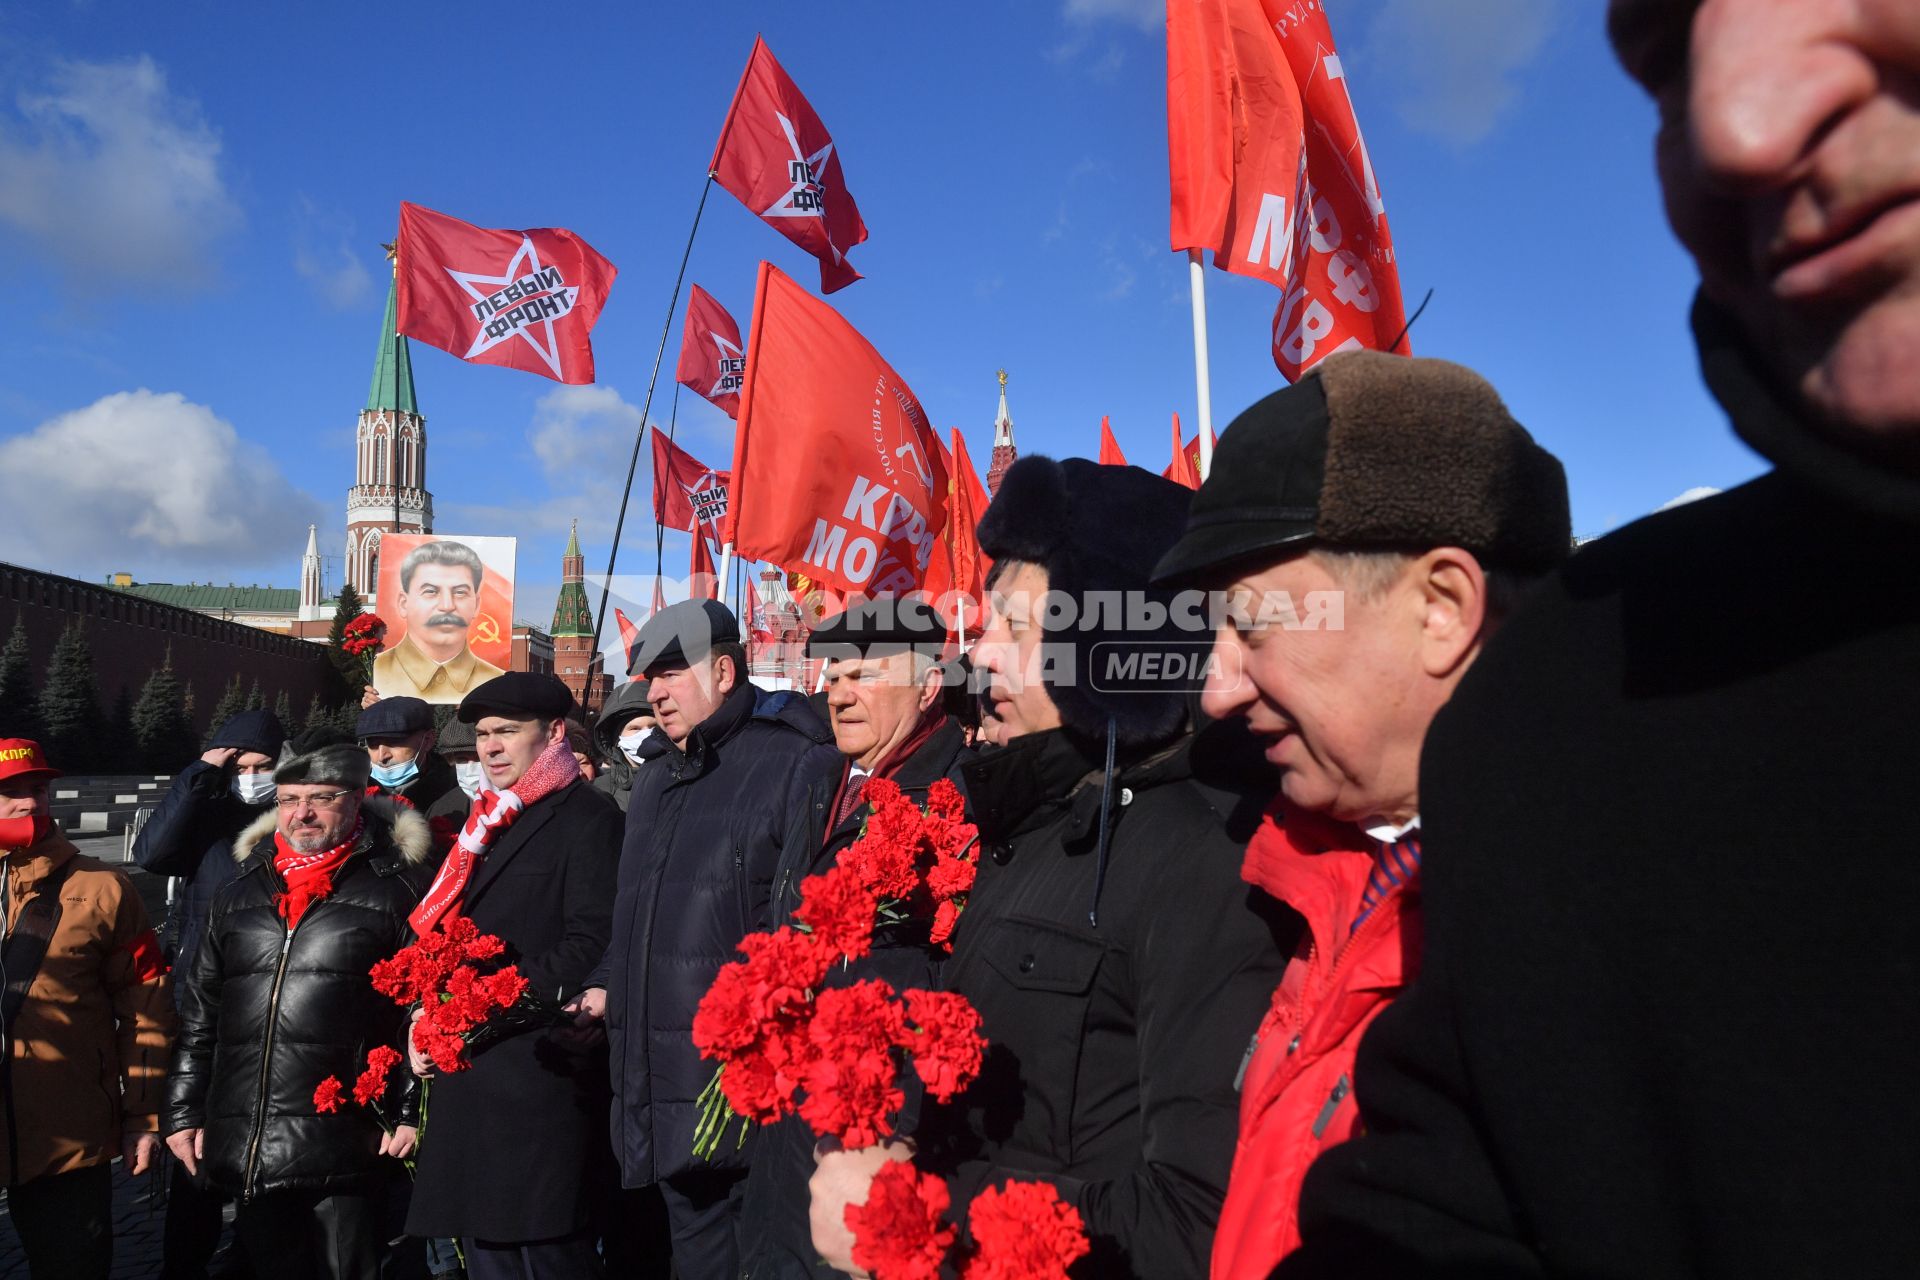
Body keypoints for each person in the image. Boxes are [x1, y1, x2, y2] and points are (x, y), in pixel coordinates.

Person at [1280, 5, 1920, 1276]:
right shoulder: (1579, 713)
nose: (1738, 125)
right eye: (1668, 57)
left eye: (1260, 616)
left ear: (1447, 604)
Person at [808, 458, 1289, 1279]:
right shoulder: (1029, 826)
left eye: (1018, 630)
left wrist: (909, 1211)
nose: (981, 655)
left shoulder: (1205, 865)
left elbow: (1199, 1220)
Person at [1144, 350, 1571, 1277]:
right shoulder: (1306, 872)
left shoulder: (1598, 939)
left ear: (1440, 607)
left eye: (1252, 627)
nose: (1215, 688)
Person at [574, 599, 840, 1280]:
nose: (653, 693)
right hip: (653, 1094)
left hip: (739, 1104)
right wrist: (605, 980)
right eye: (646, 678)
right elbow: (636, 919)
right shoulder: (659, 776)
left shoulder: (793, 763)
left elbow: (802, 934)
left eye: (671, 673)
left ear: (724, 670)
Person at [739, 596, 975, 1280]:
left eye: (863, 674)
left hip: (877, 1138)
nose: (839, 694)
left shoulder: (958, 800)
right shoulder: (819, 783)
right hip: (792, 1125)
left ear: (929, 685)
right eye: (832, 676)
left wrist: (896, 1133)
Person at [163, 739, 428, 1280]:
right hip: (249, 1139)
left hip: (344, 1142)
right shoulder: (239, 891)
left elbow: (418, 1016)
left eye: (321, 797)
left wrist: (407, 1108)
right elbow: (200, 1015)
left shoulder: (397, 891)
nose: (301, 813)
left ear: (357, 799)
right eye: (287, 799)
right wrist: (184, 1110)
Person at [403, 673, 623, 1280]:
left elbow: (590, 941)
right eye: (481, 735)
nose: (490, 747)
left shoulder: (586, 818)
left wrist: (474, 1007)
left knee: (549, 1257)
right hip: (475, 1082)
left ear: (553, 734)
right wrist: (431, 1009)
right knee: (488, 1257)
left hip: (537, 1084)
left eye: (506, 732)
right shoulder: (489, 822)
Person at [1, 738, 173, 1280]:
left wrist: (143, 1116)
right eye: (9, 793)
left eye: (37, 789)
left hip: (68, 1137)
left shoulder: (104, 889)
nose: (29, 803)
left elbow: (146, 1006)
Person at [131, 708, 286, 1280]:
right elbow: (150, 854)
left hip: (269, 995)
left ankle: (250, 1257)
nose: (250, 775)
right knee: (193, 1144)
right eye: (240, 764)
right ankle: (185, 1263)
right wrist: (201, 772)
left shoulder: (290, 814)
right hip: (203, 998)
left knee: (261, 1140)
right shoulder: (205, 813)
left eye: (263, 764)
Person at [372, 540, 506, 702]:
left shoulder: (496, 683)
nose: (447, 606)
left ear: (476, 605)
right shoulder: (377, 673)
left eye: (460, 592)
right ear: (403, 603)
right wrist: (376, 709)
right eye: (430, 591)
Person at [358, 696, 458, 817]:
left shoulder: (457, 791)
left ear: (428, 740)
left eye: (394, 742)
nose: (382, 756)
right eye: (373, 744)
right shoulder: (352, 794)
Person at [590, 682, 659, 813]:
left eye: (654, 726)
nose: (646, 734)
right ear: (617, 740)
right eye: (635, 728)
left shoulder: (682, 781)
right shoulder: (598, 791)